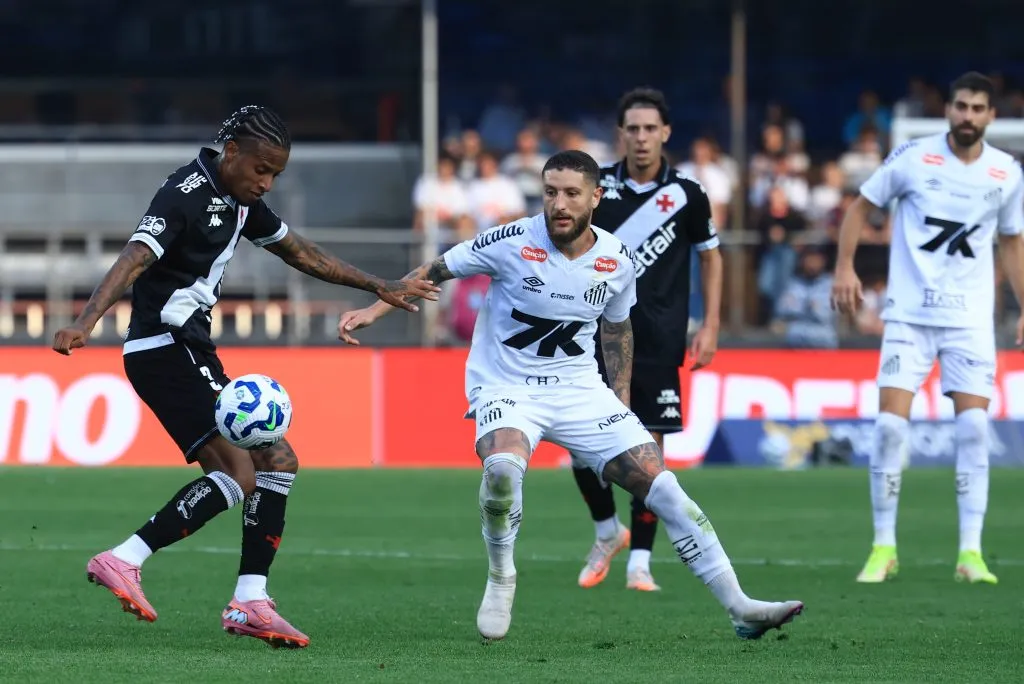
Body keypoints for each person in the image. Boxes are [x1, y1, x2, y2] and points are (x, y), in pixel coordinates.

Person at [337, 150, 802, 641]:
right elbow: (435, 270)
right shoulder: (510, 240)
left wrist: (620, 402)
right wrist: (373, 310)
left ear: (596, 197)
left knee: (665, 488)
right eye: (550, 192)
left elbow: (617, 330)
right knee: (502, 470)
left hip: (580, 389)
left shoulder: (617, 259)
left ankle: (741, 607)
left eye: (572, 194)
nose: (559, 204)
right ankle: (501, 575)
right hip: (507, 385)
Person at [51, 105, 439, 648]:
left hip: (188, 350)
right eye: (261, 169)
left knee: (273, 464)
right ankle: (130, 560)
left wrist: (378, 284)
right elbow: (135, 257)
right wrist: (85, 322)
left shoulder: (240, 201)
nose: (267, 182)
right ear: (231, 152)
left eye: (275, 173)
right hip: (164, 348)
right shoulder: (185, 193)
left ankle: (247, 599)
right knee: (248, 471)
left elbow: (301, 252)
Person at [831, 72, 1024, 584]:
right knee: (890, 429)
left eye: (977, 108)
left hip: (969, 321)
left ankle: (970, 555)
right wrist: (845, 267)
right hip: (909, 317)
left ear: (991, 115)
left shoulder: (1006, 173)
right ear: (949, 110)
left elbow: (1012, 241)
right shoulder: (914, 157)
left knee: (975, 429)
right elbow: (860, 207)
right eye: (961, 106)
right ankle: (883, 547)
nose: (968, 115)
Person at [571, 87, 723, 592]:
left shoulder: (687, 194)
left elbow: (711, 256)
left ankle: (640, 561)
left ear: (666, 133)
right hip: (595, 335)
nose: (641, 137)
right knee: (580, 449)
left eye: (650, 128)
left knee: (648, 454)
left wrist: (711, 324)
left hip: (659, 339)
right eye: (632, 128)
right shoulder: (595, 188)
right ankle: (605, 531)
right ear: (621, 133)